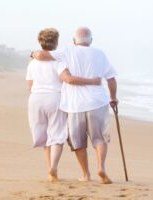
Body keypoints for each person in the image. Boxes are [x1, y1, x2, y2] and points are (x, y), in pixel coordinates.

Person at [32, 27, 118, 184]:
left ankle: (85, 174)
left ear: (73, 40)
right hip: (97, 102)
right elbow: (111, 78)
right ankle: (101, 167)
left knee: (78, 142)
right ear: (91, 40)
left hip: (74, 105)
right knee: (99, 139)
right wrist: (113, 98)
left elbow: (40, 55)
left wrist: (33, 54)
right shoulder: (100, 54)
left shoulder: (66, 51)